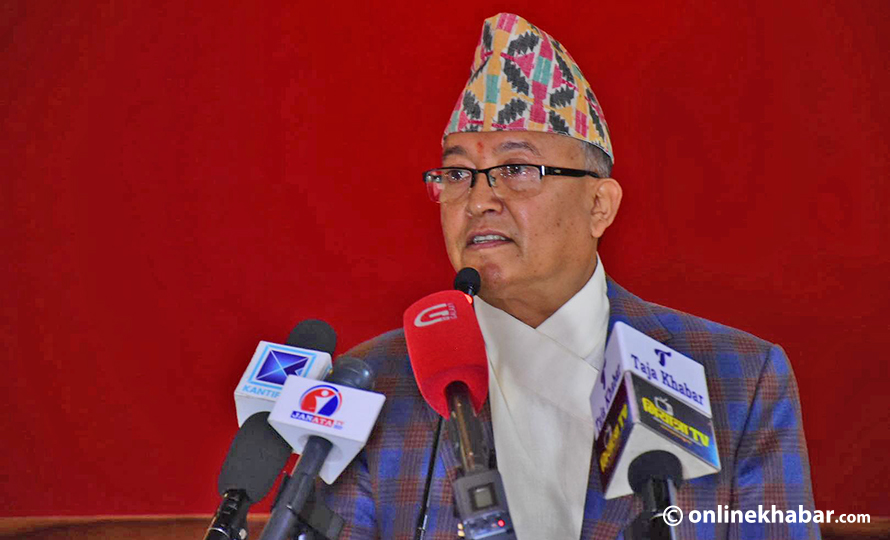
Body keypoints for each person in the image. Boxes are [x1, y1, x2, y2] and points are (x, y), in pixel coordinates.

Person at [317, 13, 818, 540]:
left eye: (516, 169)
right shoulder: (373, 383)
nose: (479, 200)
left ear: (599, 204)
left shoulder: (737, 376)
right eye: (457, 174)